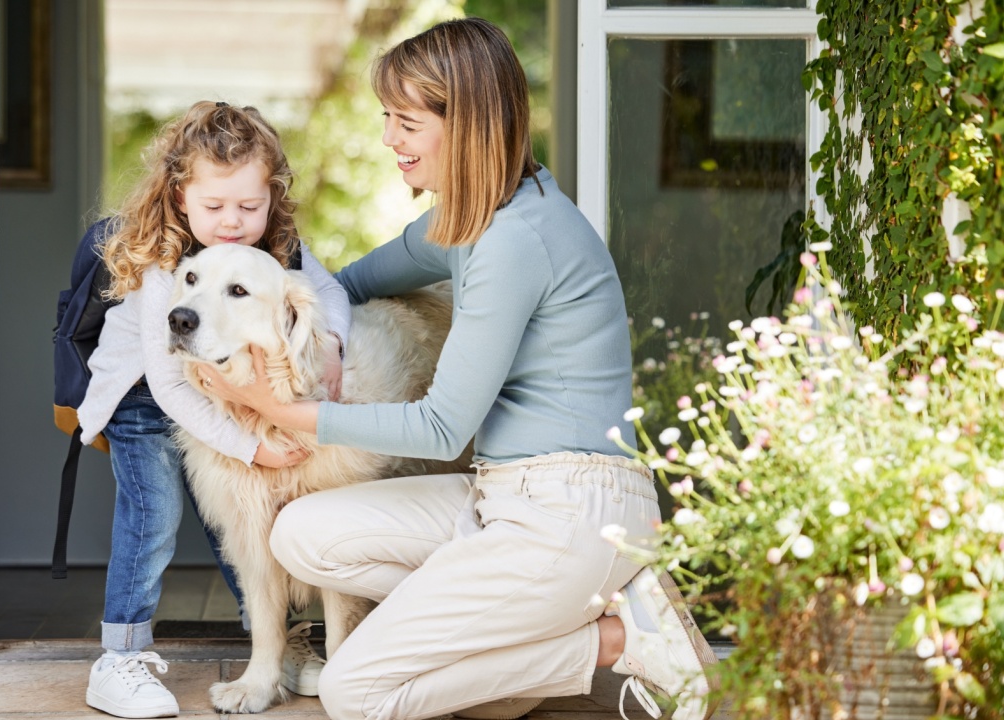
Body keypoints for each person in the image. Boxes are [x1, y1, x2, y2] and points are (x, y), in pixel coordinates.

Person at [199, 18, 717, 720]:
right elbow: (345, 285)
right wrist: (304, 329)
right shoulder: (470, 221)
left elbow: (443, 429)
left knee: (358, 691)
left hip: (571, 509)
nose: (388, 139)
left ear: (468, 124)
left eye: (406, 122)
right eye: (388, 118)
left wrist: (281, 408)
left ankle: (619, 638)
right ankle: (541, 621)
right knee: (302, 535)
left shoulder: (514, 240)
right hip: (500, 498)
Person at [75, 101, 353, 719]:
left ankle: (280, 645)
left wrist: (331, 340)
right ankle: (120, 654)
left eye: (249, 207)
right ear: (180, 198)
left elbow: (328, 290)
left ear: (271, 201)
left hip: (222, 387)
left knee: (242, 522)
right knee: (156, 514)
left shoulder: (275, 252)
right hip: (145, 396)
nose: (232, 222)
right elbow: (170, 386)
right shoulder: (160, 264)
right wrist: (253, 447)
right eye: (215, 206)